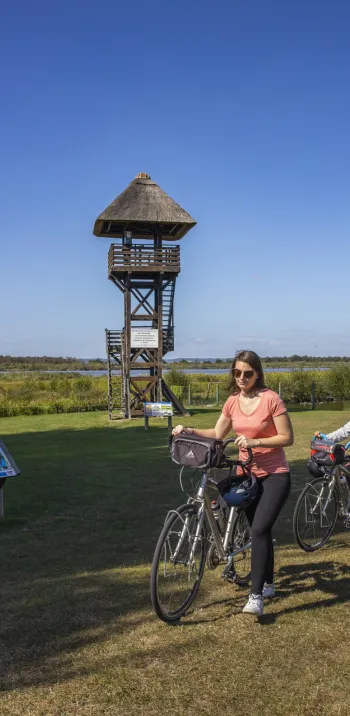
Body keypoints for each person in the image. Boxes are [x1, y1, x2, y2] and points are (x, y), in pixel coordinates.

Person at [172, 349, 294, 616]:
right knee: (257, 529)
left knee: (260, 529)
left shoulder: (271, 399)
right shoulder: (232, 402)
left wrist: (255, 441)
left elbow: (287, 437)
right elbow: (217, 433)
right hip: (247, 474)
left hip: (275, 474)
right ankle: (269, 582)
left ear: (257, 374)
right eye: (237, 372)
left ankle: (256, 596)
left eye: (247, 373)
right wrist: (188, 430)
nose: (241, 378)